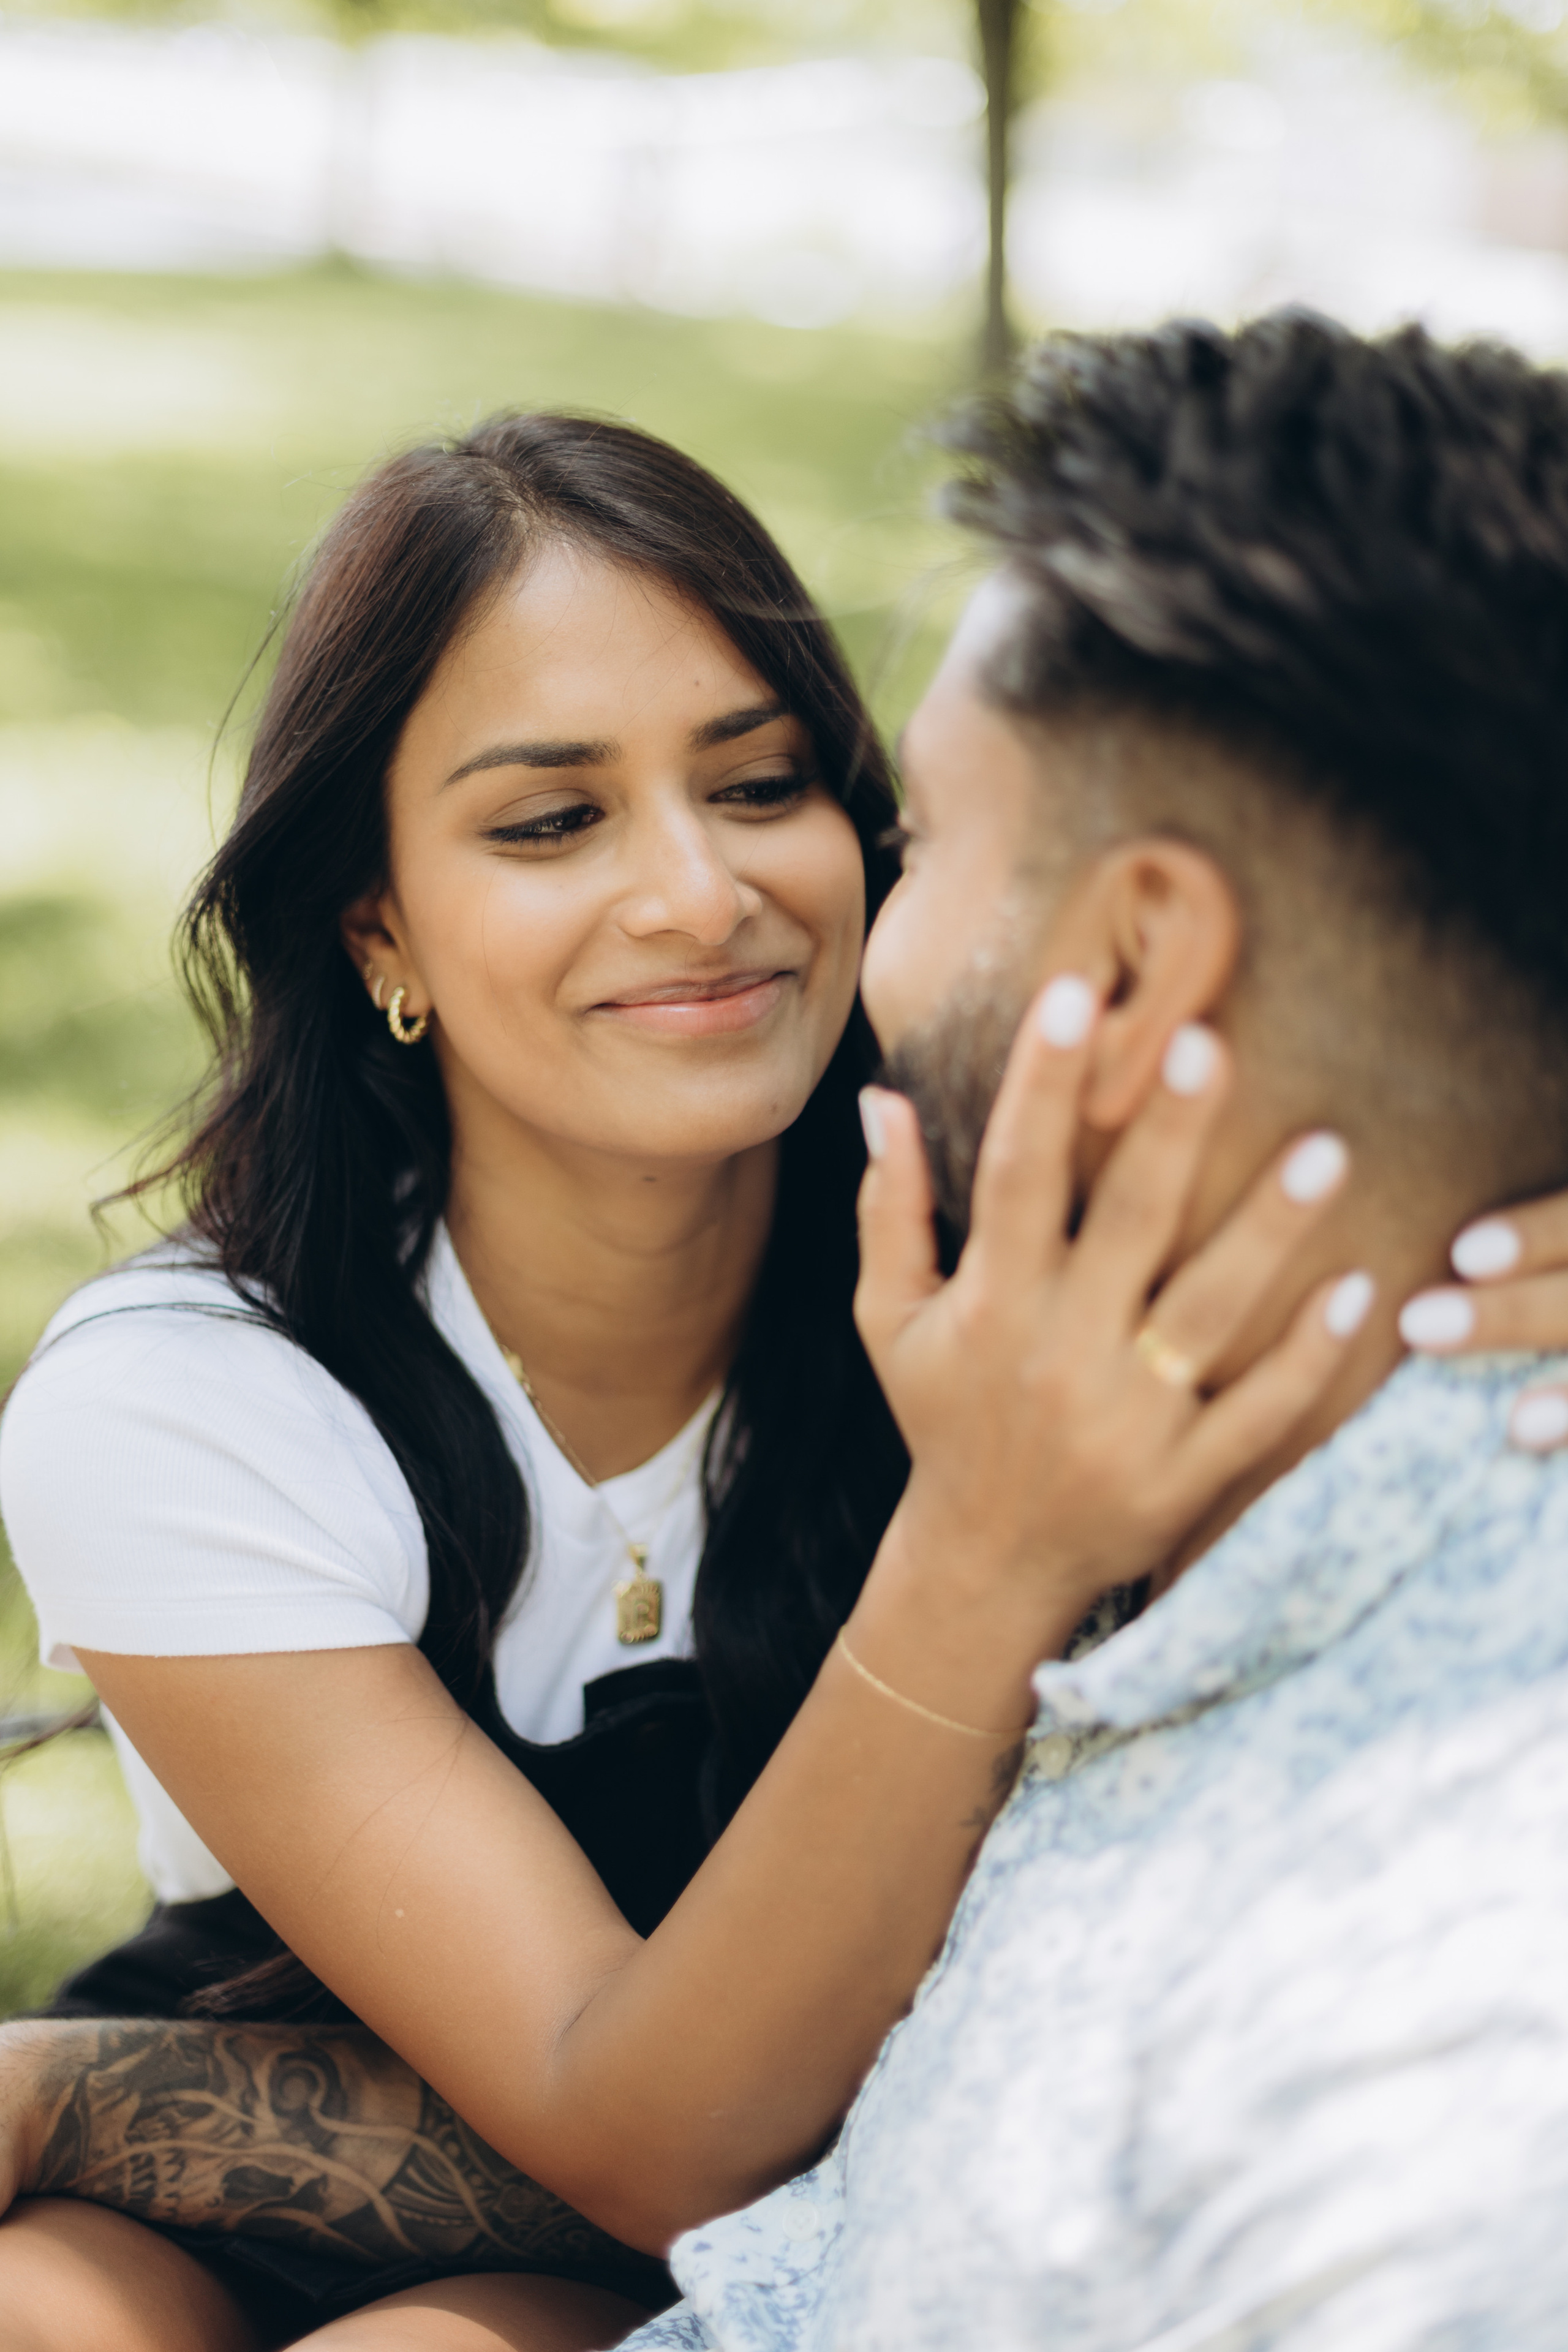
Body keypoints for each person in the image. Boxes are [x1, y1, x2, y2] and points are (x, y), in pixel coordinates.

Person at [0, 407, 1374, 2352]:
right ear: (380, 924)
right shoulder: (196, 1399)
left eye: (758, 785)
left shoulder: (1027, 1267)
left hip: (711, 2224)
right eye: (550, 823)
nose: (700, 893)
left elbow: (675, 2167)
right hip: (300, 2125)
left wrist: (88, 2097)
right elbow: (592, 2076)